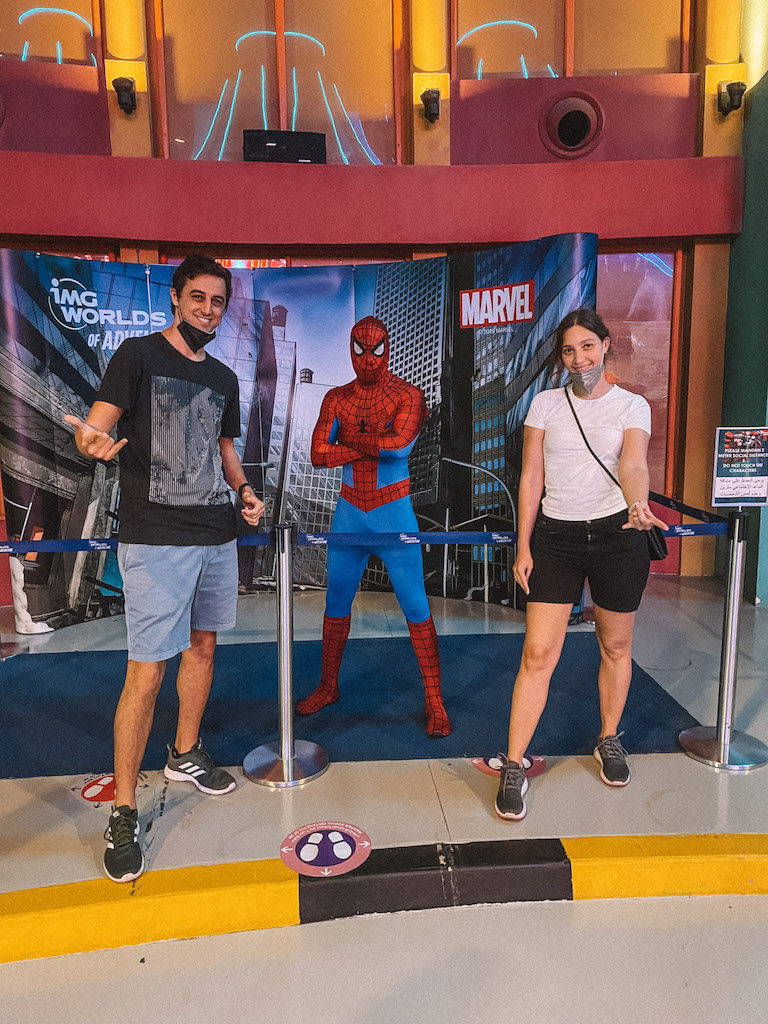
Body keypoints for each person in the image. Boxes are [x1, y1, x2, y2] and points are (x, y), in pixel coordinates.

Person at [65, 254, 264, 881]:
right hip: (155, 540)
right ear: (177, 298)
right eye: (198, 297)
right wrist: (88, 442)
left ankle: (184, 753)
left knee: (202, 648)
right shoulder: (138, 356)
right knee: (146, 672)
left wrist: (244, 491)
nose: (208, 309)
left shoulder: (227, 377)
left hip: (215, 532)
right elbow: (95, 428)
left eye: (217, 301)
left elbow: (225, 446)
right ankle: (124, 808)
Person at [495, 308, 667, 821]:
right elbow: (530, 479)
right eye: (569, 350)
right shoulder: (545, 404)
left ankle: (609, 738)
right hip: (556, 537)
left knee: (615, 645)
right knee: (537, 653)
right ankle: (513, 763)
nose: (579, 358)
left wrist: (639, 503)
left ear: (606, 346)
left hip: (618, 535)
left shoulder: (632, 406)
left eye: (587, 347)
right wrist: (523, 546)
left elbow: (632, 463)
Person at [295, 315, 451, 737]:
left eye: (376, 348)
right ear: (349, 348)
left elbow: (398, 448)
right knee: (336, 602)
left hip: (393, 512)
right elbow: (316, 455)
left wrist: (346, 444)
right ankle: (328, 685)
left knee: (416, 607)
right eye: (359, 349)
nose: (368, 358)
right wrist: (371, 446)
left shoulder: (408, 395)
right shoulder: (336, 397)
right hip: (350, 513)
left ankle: (434, 699)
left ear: (389, 346)